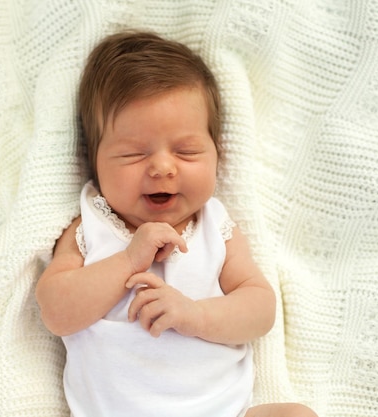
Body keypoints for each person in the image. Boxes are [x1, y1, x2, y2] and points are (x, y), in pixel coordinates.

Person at [36, 30, 317, 417]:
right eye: (134, 154)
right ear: (93, 160)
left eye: (186, 152)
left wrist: (194, 314)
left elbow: (260, 310)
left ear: (217, 151)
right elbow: (55, 312)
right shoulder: (90, 229)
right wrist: (128, 260)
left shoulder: (214, 228)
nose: (162, 168)